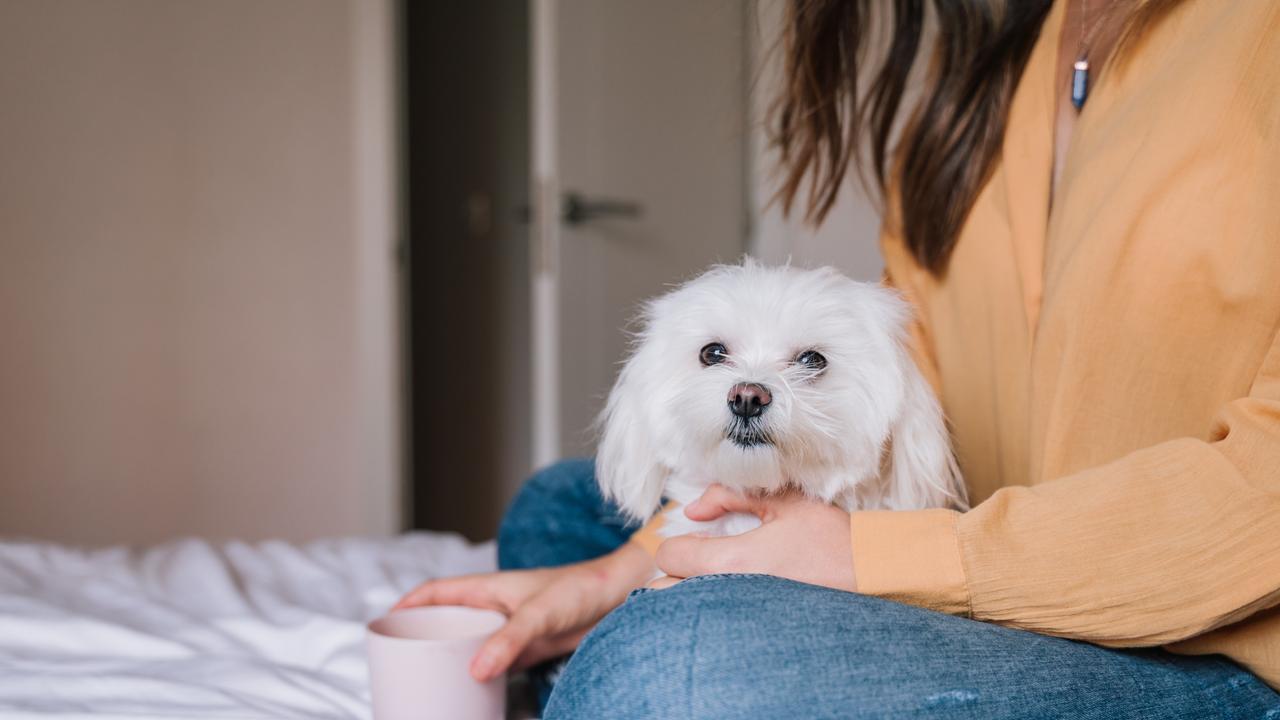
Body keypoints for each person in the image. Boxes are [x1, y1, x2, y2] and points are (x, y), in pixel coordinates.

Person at [397, 0, 1280, 716]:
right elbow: (906, 380)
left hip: (1207, 647)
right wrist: (620, 571)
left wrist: (883, 560)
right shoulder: (986, 71)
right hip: (986, 557)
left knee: (675, 670)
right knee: (558, 509)